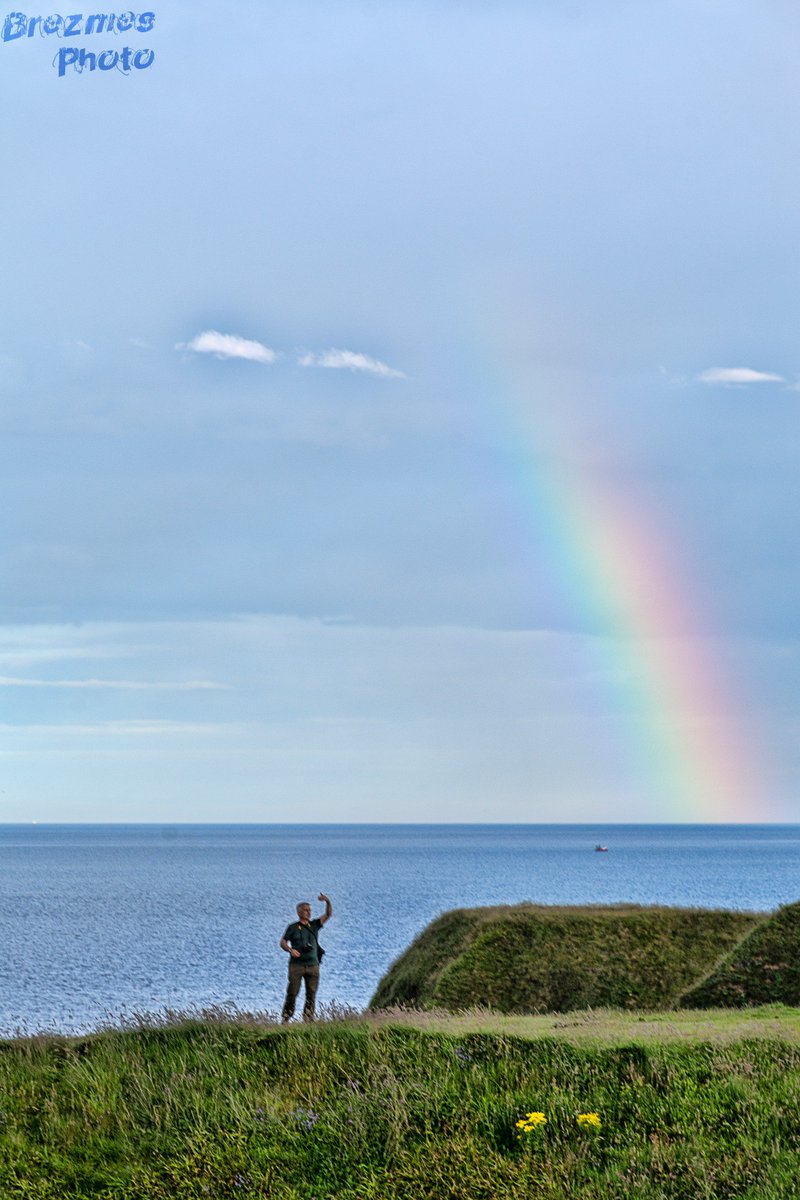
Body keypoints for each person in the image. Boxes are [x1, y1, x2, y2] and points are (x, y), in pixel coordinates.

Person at [280, 892, 332, 1022]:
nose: (308, 912)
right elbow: (283, 942)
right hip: (296, 965)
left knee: (311, 994)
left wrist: (327, 902)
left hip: (313, 965)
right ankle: (286, 1018)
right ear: (299, 912)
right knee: (292, 992)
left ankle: (308, 1019)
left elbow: (328, 915)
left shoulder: (314, 925)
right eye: (305, 910)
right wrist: (290, 950)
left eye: (309, 910)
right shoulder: (292, 927)